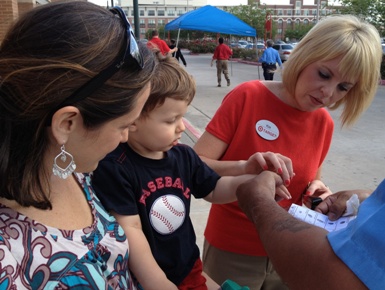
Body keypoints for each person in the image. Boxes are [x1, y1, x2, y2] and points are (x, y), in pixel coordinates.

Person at [193, 15, 382, 289]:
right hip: (232, 249)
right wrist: (244, 167)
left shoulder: (323, 123)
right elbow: (194, 165)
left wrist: (319, 193)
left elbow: (305, 186)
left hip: (291, 253)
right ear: (305, 55)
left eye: (343, 87)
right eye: (324, 74)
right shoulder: (247, 97)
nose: (328, 92)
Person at [92, 53, 292, 290]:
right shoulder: (115, 166)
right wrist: (156, 281)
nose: (181, 127)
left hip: (187, 266)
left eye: (183, 117)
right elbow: (131, 229)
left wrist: (254, 183)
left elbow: (215, 189)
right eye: (171, 120)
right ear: (132, 118)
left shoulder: (183, 156)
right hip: (145, 277)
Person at [0, 2, 157, 289]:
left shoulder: (72, 168)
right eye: (123, 126)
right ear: (67, 124)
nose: (125, 138)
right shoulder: (8, 261)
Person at [236, 171, 382, 289]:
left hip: (284, 243)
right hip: (239, 247)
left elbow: (329, 275)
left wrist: (258, 201)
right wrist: (371, 201)